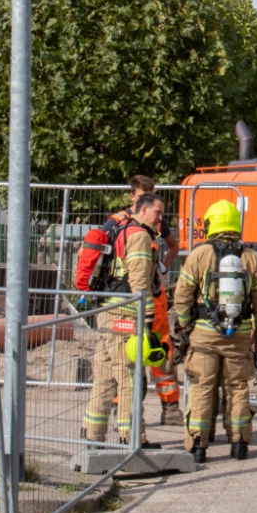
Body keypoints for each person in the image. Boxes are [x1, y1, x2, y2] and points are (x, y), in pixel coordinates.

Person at [173, 199, 257, 463]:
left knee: (202, 387)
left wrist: (185, 326)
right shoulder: (251, 258)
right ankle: (239, 443)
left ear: (210, 225)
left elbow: (182, 295)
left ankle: (198, 446)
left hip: (203, 335)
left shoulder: (199, 255)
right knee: (237, 387)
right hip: (238, 335)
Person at [82, 193, 165, 447]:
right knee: (129, 376)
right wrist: (147, 318)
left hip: (106, 312)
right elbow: (140, 281)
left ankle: (93, 436)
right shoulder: (139, 235)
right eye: (158, 213)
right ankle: (131, 439)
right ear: (143, 210)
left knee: (105, 376)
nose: (161, 218)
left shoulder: (120, 230)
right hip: (125, 314)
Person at [103, 175, 181, 426]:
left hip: (153, 298)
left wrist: (161, 270)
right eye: (142, 196)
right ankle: (122, 407)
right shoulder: (116, 222)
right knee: (124, 356)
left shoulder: (158, 223)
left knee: (160, 348)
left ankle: (170, 407)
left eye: (151, 195)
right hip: (124, 301)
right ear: (133, 198)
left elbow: (173, 247)